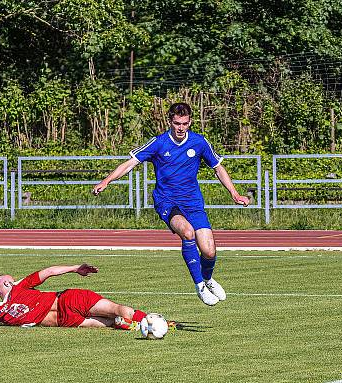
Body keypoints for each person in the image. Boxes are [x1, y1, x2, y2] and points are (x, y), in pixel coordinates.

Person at [93, 102, 250, 306]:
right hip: (166, 201)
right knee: (187, 232)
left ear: (190, 122)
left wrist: (234, 194)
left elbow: (218, 168)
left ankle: (208, 279)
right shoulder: (158, 143)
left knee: (209, 251)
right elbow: (129, 164)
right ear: (170, 122)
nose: (180, 128)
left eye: (184, 123)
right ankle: (199, 286)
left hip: (193, 202)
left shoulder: (199, 142)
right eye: (177, 123)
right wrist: (106, 181)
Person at [0, 263, 154, 330]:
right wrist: (76, 268)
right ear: (7, 284)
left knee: (106, 323)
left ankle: (128, 323)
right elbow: (49, 271)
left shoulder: (0, 311)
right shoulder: (19, 286)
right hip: (67, 298)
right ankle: (147, 320)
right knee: (115, 309)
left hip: (61, 320)